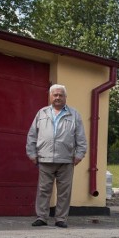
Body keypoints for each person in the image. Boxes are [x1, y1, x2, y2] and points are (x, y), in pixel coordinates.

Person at [26, 84, 87, 228]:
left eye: (60, 95)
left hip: (66, 159)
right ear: (50, 96)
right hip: (45, 158)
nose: (58, 97)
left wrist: (79, 155)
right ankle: (42, 217)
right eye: (55, 95)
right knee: (43, 190)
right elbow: (32, 135)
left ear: (65, 97)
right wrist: (32, 153)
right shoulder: (42, 113)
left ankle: (61, 219)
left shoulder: (74, 114)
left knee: (64, 192)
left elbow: (81, 138)